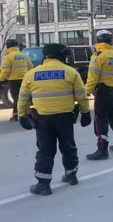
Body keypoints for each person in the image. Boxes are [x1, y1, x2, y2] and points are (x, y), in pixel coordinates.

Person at [17, 43, 91, 195]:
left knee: (45, 150)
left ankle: (43, 185)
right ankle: (71, 176)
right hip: (65, 118)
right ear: (62, 56)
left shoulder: (32, 74)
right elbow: (82, 96)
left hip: (43, 119)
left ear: (45, 56)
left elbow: (23, 98)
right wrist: (85, 113)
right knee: (68, 146)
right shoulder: (71, 72)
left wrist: (22, 115)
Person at [85, 30, 113, 160]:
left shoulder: (98, 56)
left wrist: (87, 91)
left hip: (103, 91)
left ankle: (102, 149)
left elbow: (92, 77)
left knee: (100, 119)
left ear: (97, 40)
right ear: (110, 41)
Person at [0, 39, 33, 121]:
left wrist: (1, 79)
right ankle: (26, 114)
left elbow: (5, 71)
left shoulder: (8, 57)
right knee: (25, 97)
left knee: (16, 98)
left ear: (7, 46)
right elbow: (30, 67)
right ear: (16, 46)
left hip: (13, 81)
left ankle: (15, 115)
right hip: (25, 79)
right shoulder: (24, 55)